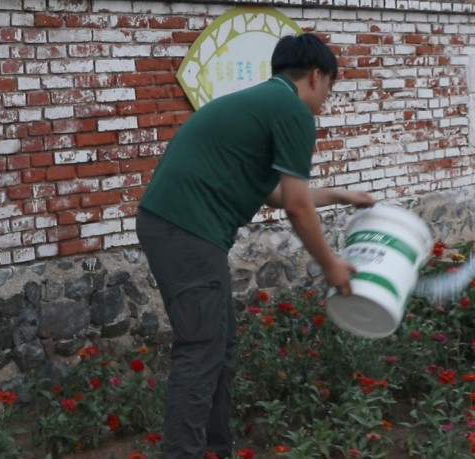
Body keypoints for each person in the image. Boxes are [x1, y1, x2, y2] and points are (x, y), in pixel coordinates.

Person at [135, 33, 375, 458]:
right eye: (331, 89)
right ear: (317, 76)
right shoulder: (292, 111)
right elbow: (298, 209)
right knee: (202, 349)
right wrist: (332, 265)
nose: (327, 100)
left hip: (180, 227)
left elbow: (277, 195)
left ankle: (214, 449)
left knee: (219, 346)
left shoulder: (265, 102)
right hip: (186, 230)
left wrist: (341, 195)